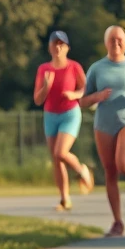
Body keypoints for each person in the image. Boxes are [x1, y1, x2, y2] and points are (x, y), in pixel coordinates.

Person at [80, 25, 125, 237]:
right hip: (103, 124)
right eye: (112, 39)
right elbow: (82, 100)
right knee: (110, 172)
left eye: (119, 39)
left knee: (123, 163)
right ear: (106, 43)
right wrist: (97, 96)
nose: (116, 43)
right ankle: (117, 222)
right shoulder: (97, 68)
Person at [34, 31, 93, 211]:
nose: (58, 47)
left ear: (67, 47)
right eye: (54, 43)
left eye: (61, 44)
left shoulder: (74, 67)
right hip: (50, 115)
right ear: (50, 47)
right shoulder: (43, 69)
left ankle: (81, 170)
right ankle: (64, 198)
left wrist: (74, 94)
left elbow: (87, 89)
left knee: (61, 152)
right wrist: (46, 86)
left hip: (70, 113)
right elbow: (37, 100)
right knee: (56, 159)